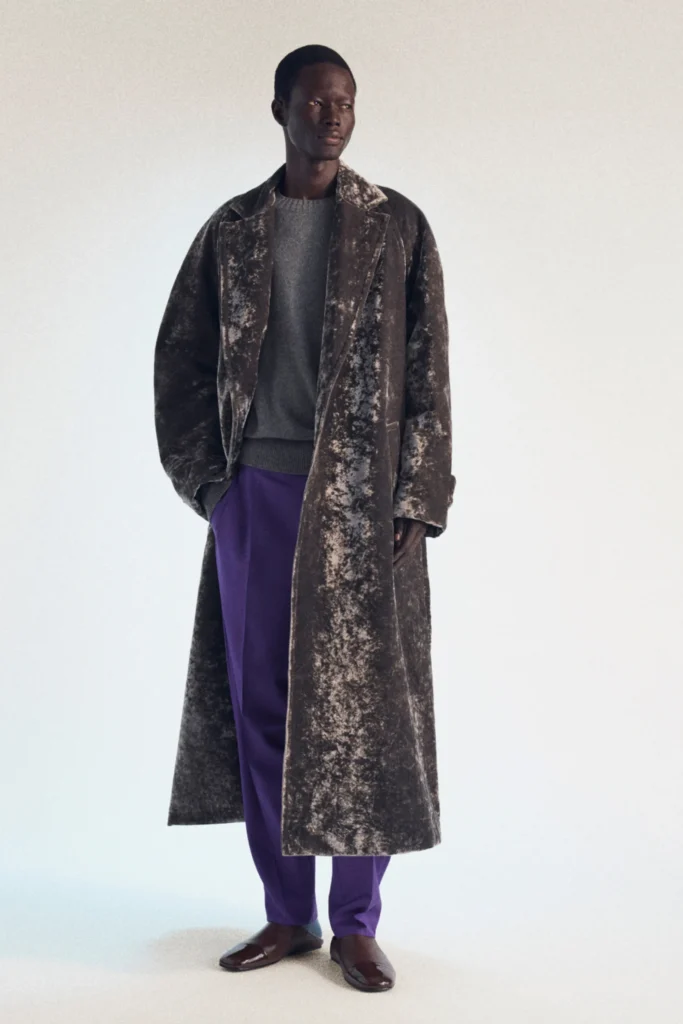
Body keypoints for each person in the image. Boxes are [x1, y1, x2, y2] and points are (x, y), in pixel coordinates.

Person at [153, 43, 455, 993]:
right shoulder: (233, 230)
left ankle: (356, 924)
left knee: (362, 711)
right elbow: (179, 360)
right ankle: (288, 913)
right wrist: (211, 487)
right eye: (317, 101)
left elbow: (429, 371)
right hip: (256, 494)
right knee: (262, 707)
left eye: (346, 102)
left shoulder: (396, 226)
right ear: (279, 108)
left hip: (366, 507)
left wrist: (417, 497)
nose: (333, 116)